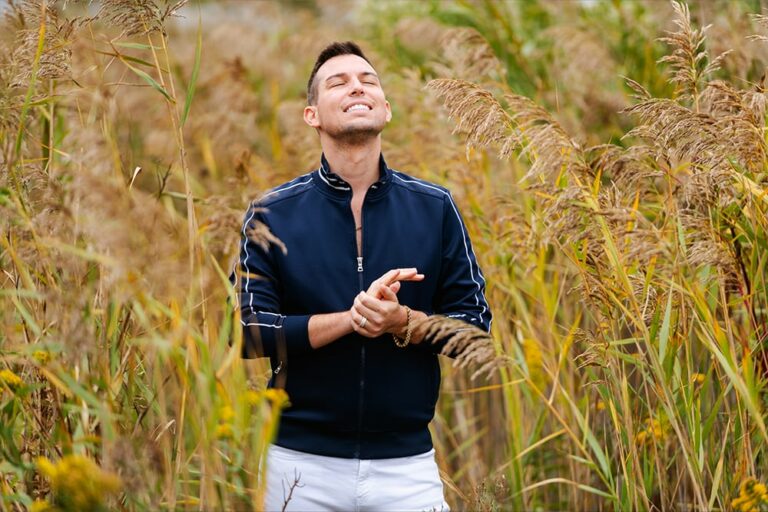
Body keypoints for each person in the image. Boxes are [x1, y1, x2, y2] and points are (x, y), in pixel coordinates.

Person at [232, 41, 491, 511]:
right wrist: (350, 320)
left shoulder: (435, 208)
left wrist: (402, 322)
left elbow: (474, 328)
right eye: (339, 82)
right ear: (312, 115)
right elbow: (251, 333)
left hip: (407, 467)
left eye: (368, 80)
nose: (357, 86)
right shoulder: (272, 213)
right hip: (298, 466)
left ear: (386, 109)